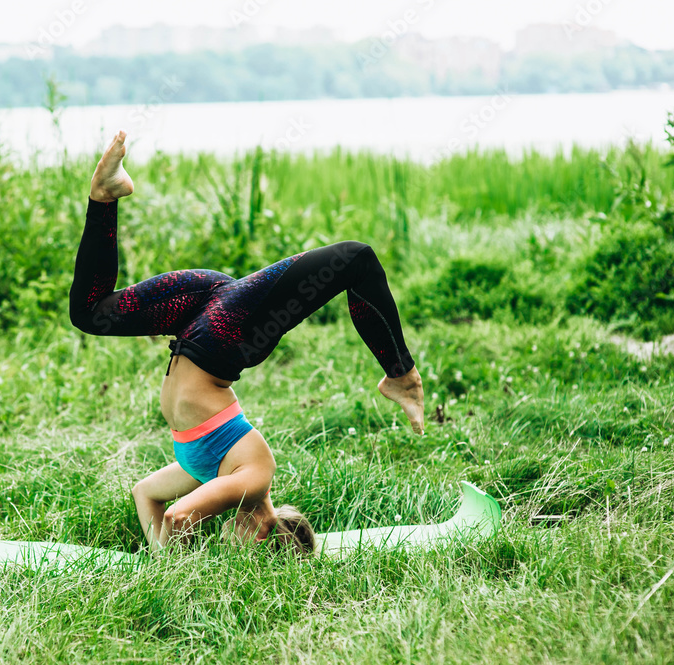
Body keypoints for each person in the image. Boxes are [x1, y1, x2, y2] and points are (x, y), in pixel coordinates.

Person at [69, 131, 425, 556]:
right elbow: (178, 516)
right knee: (355, 259)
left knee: (90, 313)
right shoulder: (253, 479)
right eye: (243, 552)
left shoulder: (211, 473)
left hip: (199, 320)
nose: (228, 543)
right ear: (263, 537)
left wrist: (160, 559)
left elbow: (146, 493)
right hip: (228, 333)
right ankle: (402, 376)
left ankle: (105, 195)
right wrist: (175, 574)